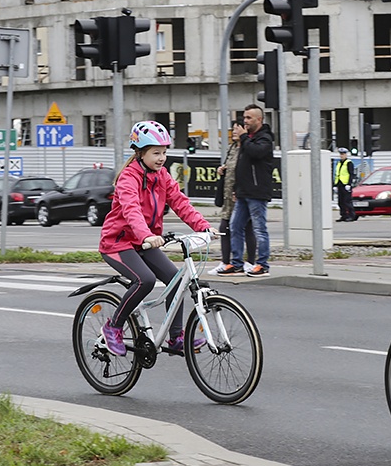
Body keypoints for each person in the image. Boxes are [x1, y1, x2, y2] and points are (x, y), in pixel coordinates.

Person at [99, 120, 218, 357]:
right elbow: (131, 209)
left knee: (175, 280)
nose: (162, 157)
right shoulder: (128, 178)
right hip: (118, 242)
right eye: (156, 153)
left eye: (164, 152)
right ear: (140, 153)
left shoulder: (162, 176)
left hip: (144, 242)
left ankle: (176, 338)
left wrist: (203, 226)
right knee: (145, 280)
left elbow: (181, 203)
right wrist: (147, 236)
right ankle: (113, 327)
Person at [220, 104, 274, 278]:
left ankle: (262, 264)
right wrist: (237, 189)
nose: (245, 121)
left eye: (249, 118)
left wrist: (244, 137)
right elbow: (241, 167)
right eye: (244, 118)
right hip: (243, 192)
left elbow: (256, 153)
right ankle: (236, 263)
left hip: (257, 192)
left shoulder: (264, 138)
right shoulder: (247, 139)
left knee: (259, 228)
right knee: (235, 226)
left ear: (259, 119)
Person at [209, 118, 256, 275]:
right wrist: (223, 170)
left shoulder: (246, 148)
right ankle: (227, 262)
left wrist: (240, 189)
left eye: (237, 128)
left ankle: (248, 262)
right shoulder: (233, 147)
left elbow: (245, 170)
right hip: (229, 195)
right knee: (227, 227)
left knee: (245, 227)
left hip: (240, 195)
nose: (234, 131)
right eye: (233, 129)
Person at [335, 146, 357, 222]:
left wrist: (349, 184)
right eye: (340, 154)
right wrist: (335, 185)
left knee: (347, 201)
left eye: (343, 154)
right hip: (340, 184)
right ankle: (343, 215)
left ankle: (351, 215)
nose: (342, 155)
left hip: (346, 185)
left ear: (346, 154)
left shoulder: (349, 163)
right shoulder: (339, 163)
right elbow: (337, 174)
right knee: (341, 202)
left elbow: (351, 174)